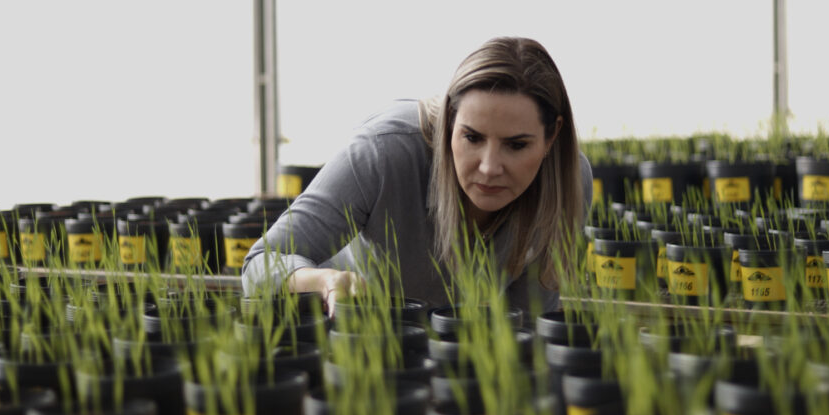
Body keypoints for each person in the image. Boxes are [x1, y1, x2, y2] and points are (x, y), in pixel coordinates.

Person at [241, 37, 592, 315]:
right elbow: (261, 263)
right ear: (450, 123)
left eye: (516, 145)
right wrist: (323, 280)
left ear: (552, 137)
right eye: (472, 138)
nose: (488, 166)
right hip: (353, 337)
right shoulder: (383, 152)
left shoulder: (567, 182)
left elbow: (528, 321)